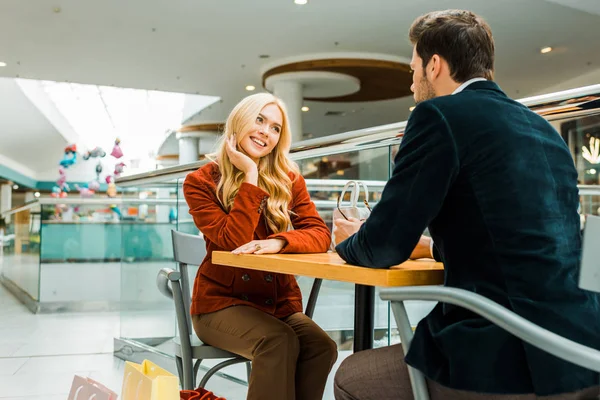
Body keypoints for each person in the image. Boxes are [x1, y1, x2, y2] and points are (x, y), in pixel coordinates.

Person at [332, 9, 600, 400]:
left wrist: (350, 239)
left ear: (434, 65)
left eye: (413, 70)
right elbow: (511, 233)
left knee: (350, 377)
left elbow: (382, 246)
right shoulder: (542, 128)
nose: (412, 84)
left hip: (512, 354)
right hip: (584, 347)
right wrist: (428, 247)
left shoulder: (437, 115)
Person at [183, 92, 338, 400]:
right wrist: (250, 176)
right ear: (239, 122)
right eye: (260, 120)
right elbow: (233, 243)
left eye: (276, 128)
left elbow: (319, 233)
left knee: (322, 346)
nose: (266, 132)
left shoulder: (288, 178)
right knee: (277, 341)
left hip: (277, 304)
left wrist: (280, 241)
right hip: (220, 306)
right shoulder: (200, 182)